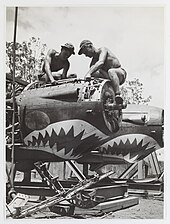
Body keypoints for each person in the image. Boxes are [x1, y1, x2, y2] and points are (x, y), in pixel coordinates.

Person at [78, 40, 127, 104]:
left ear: (90, 46)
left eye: (86, 52)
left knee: (111, 71)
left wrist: (89, 73)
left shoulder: (103, 50)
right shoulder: (93, 62)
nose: (86, 55)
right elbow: (92, 71)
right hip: (108, 77)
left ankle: (118, 95)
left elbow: (101, 62)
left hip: (119, 73)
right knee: (94, 72)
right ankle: (102, 94)